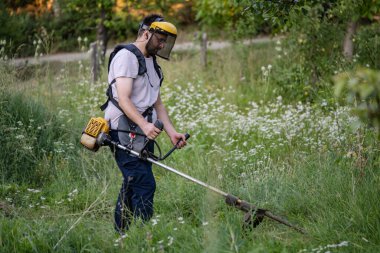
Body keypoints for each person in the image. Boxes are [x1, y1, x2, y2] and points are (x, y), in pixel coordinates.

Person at [102, 14, 187, 234]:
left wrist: (171, 132)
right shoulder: (126, 57)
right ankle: (145, 238)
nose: (162, 44)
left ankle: (121, 236)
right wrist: (145, 125)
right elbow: (123, 98)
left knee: (132, 183)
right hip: (122, 130)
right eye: (160, 39)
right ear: (146, 32)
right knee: (144, 184)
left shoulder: (151, 60)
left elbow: (156, 101)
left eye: (165, 41)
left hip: (143, 131)